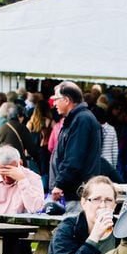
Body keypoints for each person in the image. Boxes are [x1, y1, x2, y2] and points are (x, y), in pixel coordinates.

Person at [49, 81, 102, 215]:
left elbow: (74, 158)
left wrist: (60, 184)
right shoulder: (77, 119)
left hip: (79, 194)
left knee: (74, 232)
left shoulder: (81, 120)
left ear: (66, 100)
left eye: (56, 99)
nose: (54, 103)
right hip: (77, 192)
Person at [0, 145, 44, 215]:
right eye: (2, 172)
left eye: (10, 171)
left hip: (20, 223)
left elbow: (36, 209)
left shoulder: (33, 178)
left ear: (20, 163)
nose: (6, 177)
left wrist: (22, 180)